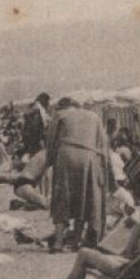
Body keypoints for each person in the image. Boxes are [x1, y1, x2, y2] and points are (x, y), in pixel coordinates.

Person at [45, 96, 110, 250]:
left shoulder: (60, 115)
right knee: (83, 198)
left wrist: (50, 161)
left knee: (62, 198)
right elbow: (102, 144)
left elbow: (51, 142)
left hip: (66, 155)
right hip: (88, 157)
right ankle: (76, 241)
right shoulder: (94, 116)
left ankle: (58, 242)